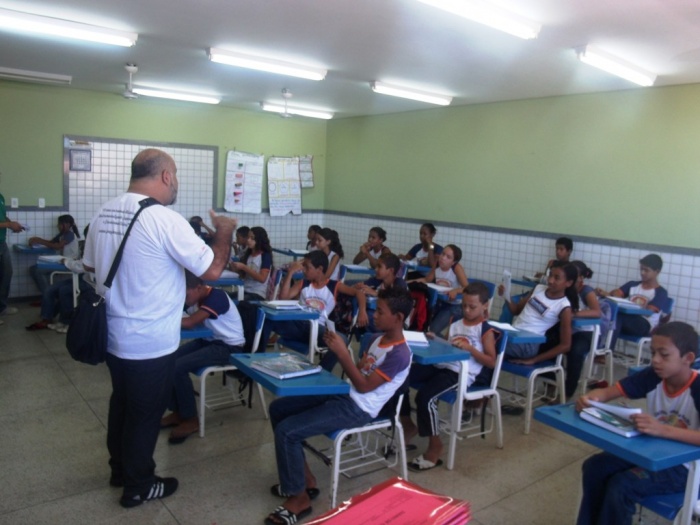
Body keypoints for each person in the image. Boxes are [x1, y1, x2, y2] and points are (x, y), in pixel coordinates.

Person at [82, 148, 236, 508]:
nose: (176, 182)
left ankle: (119, 470)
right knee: (144, 415)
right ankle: (139, 485)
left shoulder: (104, 212)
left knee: (122, 404)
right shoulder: (165, 219)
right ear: (166, 175)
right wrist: (225, 231)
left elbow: (90, 266)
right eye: (176, 174)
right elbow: (212, 270)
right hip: (149, 342)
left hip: (112, 336)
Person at [264, 287, 413, 525]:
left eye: (380, 311)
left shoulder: (400, 354)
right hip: (344, 393)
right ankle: (304, 480)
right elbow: (360, 372)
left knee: (287, 431)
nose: (374, 315)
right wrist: (343, 352)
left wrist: (342, 354)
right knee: (278, 409)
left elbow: (364, 386)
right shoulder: (378, 339)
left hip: (359, 408)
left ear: (398, 317)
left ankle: (299, 499)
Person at [575, 322, 700, 525]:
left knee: (622, 486)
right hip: (651, 452)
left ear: (688, 358)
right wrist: (592, 398)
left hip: (687, 467)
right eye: (653, 353)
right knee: (595, 467)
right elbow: (609, 392)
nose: (655, 360)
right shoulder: (654, 375)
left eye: (664, 355)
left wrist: (661, 429)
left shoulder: (698, 386)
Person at [401, 282, 497, 471]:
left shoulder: (484, 330)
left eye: (472, 307)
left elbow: (491, 362)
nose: (467, 310)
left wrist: (470, 349)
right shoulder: (455, 323)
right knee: (400, 377)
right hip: (441, 364)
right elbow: (446, 345)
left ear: (485, 305)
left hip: (459, 373)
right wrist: (434, 339)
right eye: (464, 305)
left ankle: (435, 446)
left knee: (425, 397)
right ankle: (408, 424)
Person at [160, 271, 246, 444]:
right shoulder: (194, 297)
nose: (184, 300)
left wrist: (160, 320)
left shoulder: (217, 297)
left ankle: (190, 419)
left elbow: (190, 322)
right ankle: (178, 411)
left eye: (186, 295)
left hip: (229, 347)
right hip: (209, 341)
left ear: (199, 288)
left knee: (177, 367)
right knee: (166, 361)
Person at [261, 250, 368, 371]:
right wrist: (290, 272)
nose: (304, 270)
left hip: (318, 329)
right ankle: (256, 358)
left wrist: (362, 311)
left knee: (342, 340)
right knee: (267, 319)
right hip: (298, 325)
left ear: (319, 269)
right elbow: (283, 298)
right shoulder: (303, 283)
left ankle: (321, 371)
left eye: (307, 267)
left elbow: (359, 293)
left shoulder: (334, 286)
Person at [499, 261, 578, 364]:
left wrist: (533, 360)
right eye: (550, 275)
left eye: (557, 278)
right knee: (484, 337)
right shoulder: (538, 288)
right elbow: (516, 310)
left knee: (488, 342)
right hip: (514, 335)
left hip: (528, 345)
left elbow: (566, 345)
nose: (550, 280)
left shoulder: (564, 306)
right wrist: (506, 295)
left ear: (569, 283)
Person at [595, 253, 669, 352]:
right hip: (626, 322)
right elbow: (616, 293)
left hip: (644, 325)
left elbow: (649, 312)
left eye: (646, 270)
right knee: (606, 314)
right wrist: (606, 294)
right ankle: (598, 350)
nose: (642, 273)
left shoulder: (661, 292)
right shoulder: (633, 284)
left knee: (617, 317)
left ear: (657, 271)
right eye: (641, 269)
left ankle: (605, 352)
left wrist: (627, 305)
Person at [410, 244, 468, 337]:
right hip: (440, 302)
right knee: (424, 326)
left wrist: (456, 291)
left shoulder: (456, 268)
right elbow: (426, 279)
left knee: (432, 331)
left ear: (453, 262)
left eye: (448, 257)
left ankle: (446, 343)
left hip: (454, 306)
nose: (443, 258)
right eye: (443, 254)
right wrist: (409, 282)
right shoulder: (437, 264)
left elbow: (468, 288)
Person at [564, 260, 602, 399]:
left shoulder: (586, 291)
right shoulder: (566, 289)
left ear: (580, 278)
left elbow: (597, 312)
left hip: (587, 332)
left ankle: (568, 391)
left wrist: (574, 313)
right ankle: (552, 384)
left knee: (575, 351)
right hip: (571, 329)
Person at [353, 253, 407, 333]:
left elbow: (397, 301)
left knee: (370, 317)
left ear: (390, 270)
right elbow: (361, 286)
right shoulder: (377, 280)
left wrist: (376, 293)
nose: (376, 269)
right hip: (375, 311)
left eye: (379, 267)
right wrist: (359, 286)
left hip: (394, 320)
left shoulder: (399, 283)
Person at [28, 214, 81, 295]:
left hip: (69, 263)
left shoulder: (70, 234)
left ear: (67, 224)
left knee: (36, 270)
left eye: (60, 224)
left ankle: (48, 295)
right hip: (62, 261)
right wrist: (37, 240)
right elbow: (51, 243)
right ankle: (48, 294)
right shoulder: (63, 234)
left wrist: (39, 241)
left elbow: (58, 246)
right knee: (33, 269)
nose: (58, 226)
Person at [0, 179, 24, 322]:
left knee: (6, 274)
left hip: (2, 242)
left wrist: (12, 225)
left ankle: (2, 307)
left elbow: (3, 217)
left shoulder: (1, 197)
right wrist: (8, 224)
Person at [230, 226, 273, 301]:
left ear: (259, 240)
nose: (248, 240)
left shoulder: (265, 256)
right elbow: (243, 275)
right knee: (225, 297)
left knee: (238, 302)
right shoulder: (248, 254)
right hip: (245, 290)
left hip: (257, 294)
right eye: (248, 237)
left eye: (252, 238)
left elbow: (262, 278)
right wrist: (234, 268)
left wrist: (244, 267)